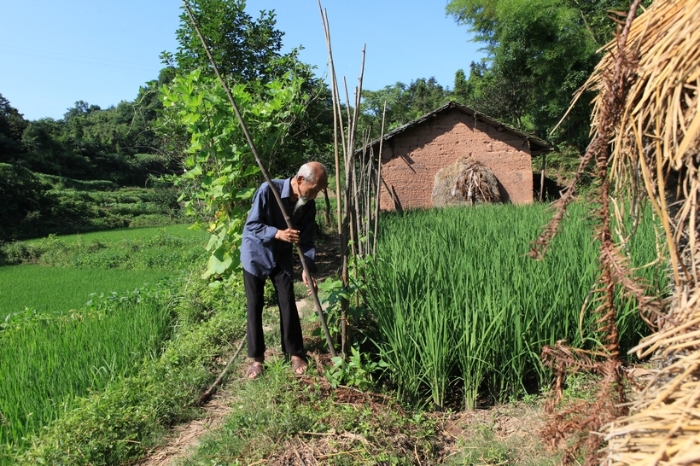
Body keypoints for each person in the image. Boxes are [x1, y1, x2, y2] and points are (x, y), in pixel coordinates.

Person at [240, 161, 328, 379]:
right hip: (256, 255)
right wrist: (277, 233)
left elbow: (306, 240)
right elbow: (252, 225)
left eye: (319, 191)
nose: (315, 195)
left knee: (287, 300)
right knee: (255, 304)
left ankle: (295, 352)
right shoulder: (269, 190)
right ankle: (257, 359)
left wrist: (307, 268)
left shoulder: (307, 204)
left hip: (281, 256)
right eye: (314, 189)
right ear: (300, 180)